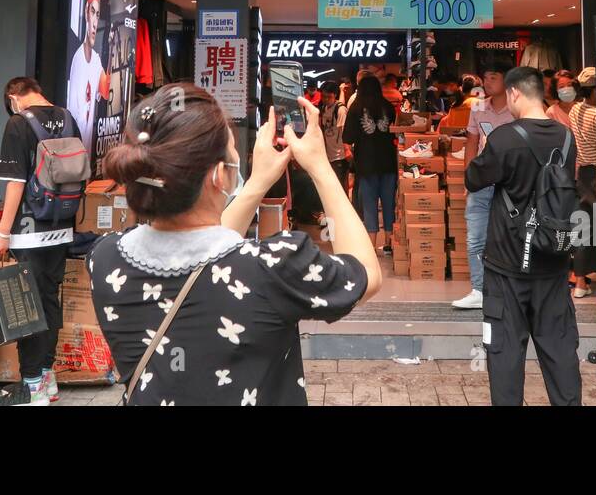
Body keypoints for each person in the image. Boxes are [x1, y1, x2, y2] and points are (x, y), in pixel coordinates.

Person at [90, 85, 381, 405]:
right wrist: (320, 167)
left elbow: (205, 257)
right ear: (219, 177)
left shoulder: (106, 259)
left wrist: (257, 183)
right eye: (233, 155)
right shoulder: (274, 267)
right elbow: (365, 273)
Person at [465, 65, 581, 406]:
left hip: (506, 264)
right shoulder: (565, 136)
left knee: (504, 355)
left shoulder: (504, 138)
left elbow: (474, 178)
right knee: (560, 349)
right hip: (553, 262)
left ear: (514, 93)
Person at [0, 77, 81, 407]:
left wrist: (3, 232)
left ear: (14, 97)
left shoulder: (18, 124)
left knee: (26, 308)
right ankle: (46, 379)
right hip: (63, 226)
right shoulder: (69, 118)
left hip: (31, 228)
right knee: (48, 300)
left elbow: (15, 183)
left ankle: (30, 387)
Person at [452, 61, 515, 310]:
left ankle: (508, 288)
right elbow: (471, 142)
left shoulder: (517, 109)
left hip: (512, 183)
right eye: (485, 78)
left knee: (509, 236)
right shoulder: (477, 107)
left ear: (507, 80)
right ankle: (479, 289)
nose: (487, 82)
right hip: (482, 181)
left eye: (493, 77)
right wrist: (469, 176)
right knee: (476, 237)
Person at [342, 75, 398, 254]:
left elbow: (347, 139)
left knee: (369, 203)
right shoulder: (388, 107)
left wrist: (350, 153)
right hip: (388, 162)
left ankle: (372, 245)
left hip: (366, 164)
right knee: (389, 203)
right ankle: (389, 244)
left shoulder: (356, 108)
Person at [569, 67, 596, 298]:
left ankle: (580, 282)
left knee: (584, 229)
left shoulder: (574, 110)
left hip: (583, 175)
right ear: (593, 90)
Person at [66, 0, 105, 155]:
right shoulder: (77, 60)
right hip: (75, 152)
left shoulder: (96, 60)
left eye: (98, 14)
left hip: (86, 154)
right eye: (92, 11)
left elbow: (105, 92)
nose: (95, 22)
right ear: (85, 12)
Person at [319, 80, 350, 193]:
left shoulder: (340, 109)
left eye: (328, 97)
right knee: (332, 187)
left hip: (340, 156)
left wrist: (347, 150)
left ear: (335, 95)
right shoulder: (324, 108)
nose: (326, 99)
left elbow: (344, 132)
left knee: (340, 188)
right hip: (329, 155)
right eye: (323, 96)